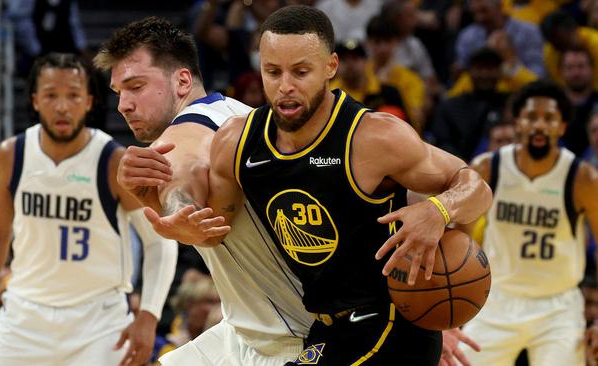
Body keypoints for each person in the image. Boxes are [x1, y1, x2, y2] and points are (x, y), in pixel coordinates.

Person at [149, 5, 492, 364]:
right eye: (272, 72)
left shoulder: (374, 137)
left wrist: (438, 210)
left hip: (390, 323)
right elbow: (216, 232)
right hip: (326, 328)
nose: (285, 87)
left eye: (300, 72)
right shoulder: (238, 142)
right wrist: (177, 221)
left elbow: (475, 185)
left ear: (330, 66)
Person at [93, 17, 313, 365]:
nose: (123, 105)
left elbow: (183, 165)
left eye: (135, 87)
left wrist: (180, 211)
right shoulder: (239, 112)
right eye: (119, 92)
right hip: (244, 331)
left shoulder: (191, 124)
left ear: (182, 81)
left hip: (290, 339)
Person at [0, 53, 177, 366]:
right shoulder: (11, 156)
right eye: (52, 96)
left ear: (89, 102)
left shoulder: (112, 161)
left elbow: (159, 239)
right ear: (36, 101)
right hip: (25, 316)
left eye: (73, 96)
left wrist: (148, 315)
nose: (62, 107)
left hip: (99, 322)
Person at [461, 80, 598, 365]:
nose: (539, 125)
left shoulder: (581, 178)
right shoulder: (488, 168)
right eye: (531, 117)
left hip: (558, 307)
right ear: (517, 123)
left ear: (561, 127)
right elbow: (459, 240)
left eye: (549, 118)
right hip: (496, 299)